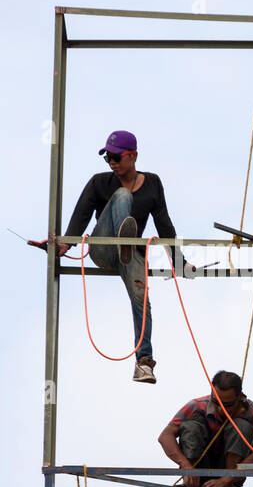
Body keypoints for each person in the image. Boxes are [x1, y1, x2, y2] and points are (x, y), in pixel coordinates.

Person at [31, 130, 188, 384]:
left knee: (142, 299)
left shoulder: (153, 183)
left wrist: (179, 262)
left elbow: (164, 225)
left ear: (133, 156)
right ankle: (121, 241)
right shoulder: (99, 182)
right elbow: (80, 217)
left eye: (116, 158)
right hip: (103, 249)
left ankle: (143, 363)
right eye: (108, 159)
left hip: (132, 254)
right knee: (122, 197)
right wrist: (62, 246)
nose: (112, 164)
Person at [158, 371, 253, 487]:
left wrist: (226, 480)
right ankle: (191, 482)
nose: (220, 409)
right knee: (191, 426)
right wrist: (186, 466)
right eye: (216, 402)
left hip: (231, 474)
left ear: (240, 397)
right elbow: (165, 436)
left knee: (241, 427)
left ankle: (229, 486)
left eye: (228, 405)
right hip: (199, 467)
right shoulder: (197, 405)